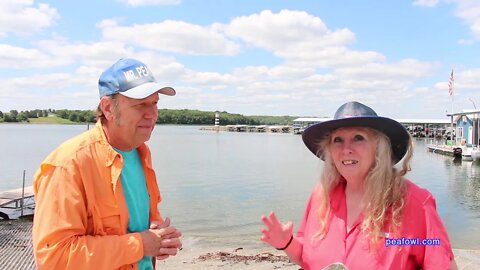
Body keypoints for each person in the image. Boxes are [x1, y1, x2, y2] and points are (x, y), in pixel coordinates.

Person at [261, 101, 457, 269]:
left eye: (358, 138)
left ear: (379, 148)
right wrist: (286, 242)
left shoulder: (414, 203)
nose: (346, 149)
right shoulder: (322, 195)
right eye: (338, 140)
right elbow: (308, 260)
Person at [32, 58, 182, 270]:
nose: (152, 114)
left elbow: (135, 225)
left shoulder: (141, 153)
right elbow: (55, 258)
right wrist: (140, 244)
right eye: (140, 105)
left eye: (155, 103)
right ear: (108, 108)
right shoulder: (68, 165)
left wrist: (157, 235)